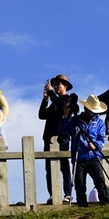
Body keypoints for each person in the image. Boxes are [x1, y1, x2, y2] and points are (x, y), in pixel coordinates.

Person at [60, 94, 109, 207]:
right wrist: (66, 116)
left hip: (94, 157)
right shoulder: (74, 121)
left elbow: (102, 139)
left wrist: (95, 145)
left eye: (96, 113)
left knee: (100, 183)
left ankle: (105, 205)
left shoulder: (100, 123)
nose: (94, 115)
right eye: (92, 112)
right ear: (85, 109)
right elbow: (63, 133)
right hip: (79, 157)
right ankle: (82, 206)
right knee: (79, 185)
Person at [39, 74, 74, 204]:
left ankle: (67, 194)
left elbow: (61, 106)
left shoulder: (68, 100)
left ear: (65, 86)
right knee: (49, 168)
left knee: (64, 167)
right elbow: (42, 115)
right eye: (54, 84)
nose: (55, 86)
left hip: (62, 137)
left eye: (58, 84)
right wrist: (45, 100)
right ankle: (53, 194)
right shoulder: (54, 102)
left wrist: (51, 94)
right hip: (49, 137)